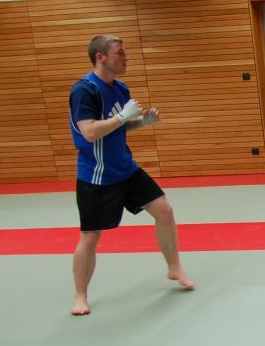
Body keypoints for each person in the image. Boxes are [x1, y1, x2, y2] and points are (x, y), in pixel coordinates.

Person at [69, 35, 194, 315]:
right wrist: (123, 118)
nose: (126, 58)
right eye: (120, 53)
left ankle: (174, 268)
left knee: (164, 210)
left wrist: (139, 122)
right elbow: (89, 131)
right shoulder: (85, 90)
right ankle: (80, 296)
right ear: (101, 57)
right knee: (90, 236)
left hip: (126, 168)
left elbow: (117, 126)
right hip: (97, 175)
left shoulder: (121, 88)